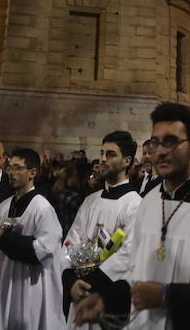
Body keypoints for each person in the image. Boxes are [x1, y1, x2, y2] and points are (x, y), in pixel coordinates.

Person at [74, 101, 190, 329]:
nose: (159, 151)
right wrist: (106, 299)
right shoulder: (149, 202)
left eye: (170, 142)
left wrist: (167, 295)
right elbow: (137, 273)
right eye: (155, 142)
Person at [62, 130, 143, 316]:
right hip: (78, 290)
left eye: (110, 154)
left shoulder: (136, 204)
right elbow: (71, 241)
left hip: (108, 297)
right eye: (101, 153)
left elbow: (127, 254)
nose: (103, 159)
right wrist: (69, 279)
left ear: (127, 161)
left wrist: (88, 282)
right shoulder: (90, 200)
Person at [0, 148, 65, 329]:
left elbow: (46, 251)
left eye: (17, 168)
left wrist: (5, 238)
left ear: (32, 173)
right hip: (5, 281)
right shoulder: (3, 207)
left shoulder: (42, 209)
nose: (11, 173)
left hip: (30, 286)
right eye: (9, 167)